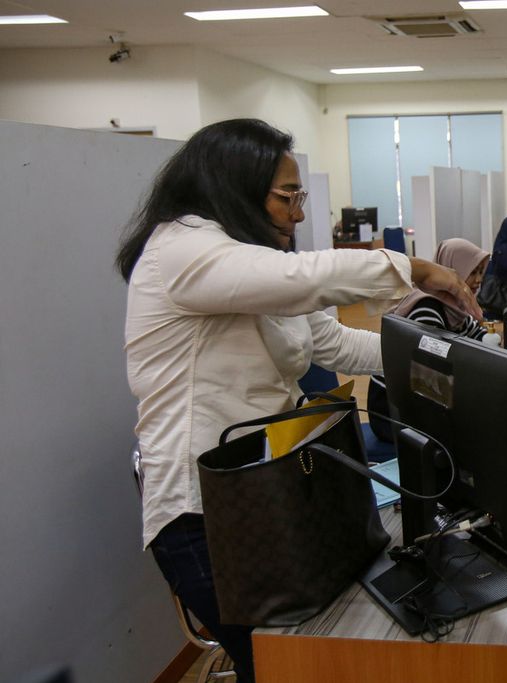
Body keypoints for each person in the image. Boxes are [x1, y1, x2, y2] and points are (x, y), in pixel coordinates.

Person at [115, 119, 481, 683]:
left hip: (266, 489)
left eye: (299, 195)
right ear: (234, 186)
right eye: (288, 196)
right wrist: (411, 269)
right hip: (204, 510)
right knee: (274, 666)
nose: (300, 212)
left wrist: (450, 366)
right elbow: (302, 279)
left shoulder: (243, 261)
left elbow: (332, 342)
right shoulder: (182, 250)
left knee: (302, 659)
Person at [367, 238, 492, 442]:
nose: (478, 280)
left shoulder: (454, 308)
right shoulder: (428, 309)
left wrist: (502, 339)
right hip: (391, 413)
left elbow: (476, 336)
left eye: (481, 272)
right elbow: (434, 380)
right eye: (473, 271)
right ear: (453, 270)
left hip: (418, 402)